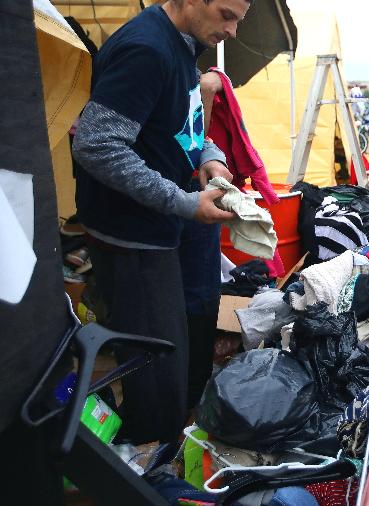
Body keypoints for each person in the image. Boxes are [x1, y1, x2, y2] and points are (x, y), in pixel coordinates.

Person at [72, 0, 250, 446]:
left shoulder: (183, 44)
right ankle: (147, 466)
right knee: (155, 369)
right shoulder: (146, 48)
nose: (232, 31)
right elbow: (97, 145)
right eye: (227, 14)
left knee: (176, 348)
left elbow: (180, 127)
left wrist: (210, 157)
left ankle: (162, 441)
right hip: (132, 235)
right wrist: (184, 202)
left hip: (162, 226)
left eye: (238, 19)